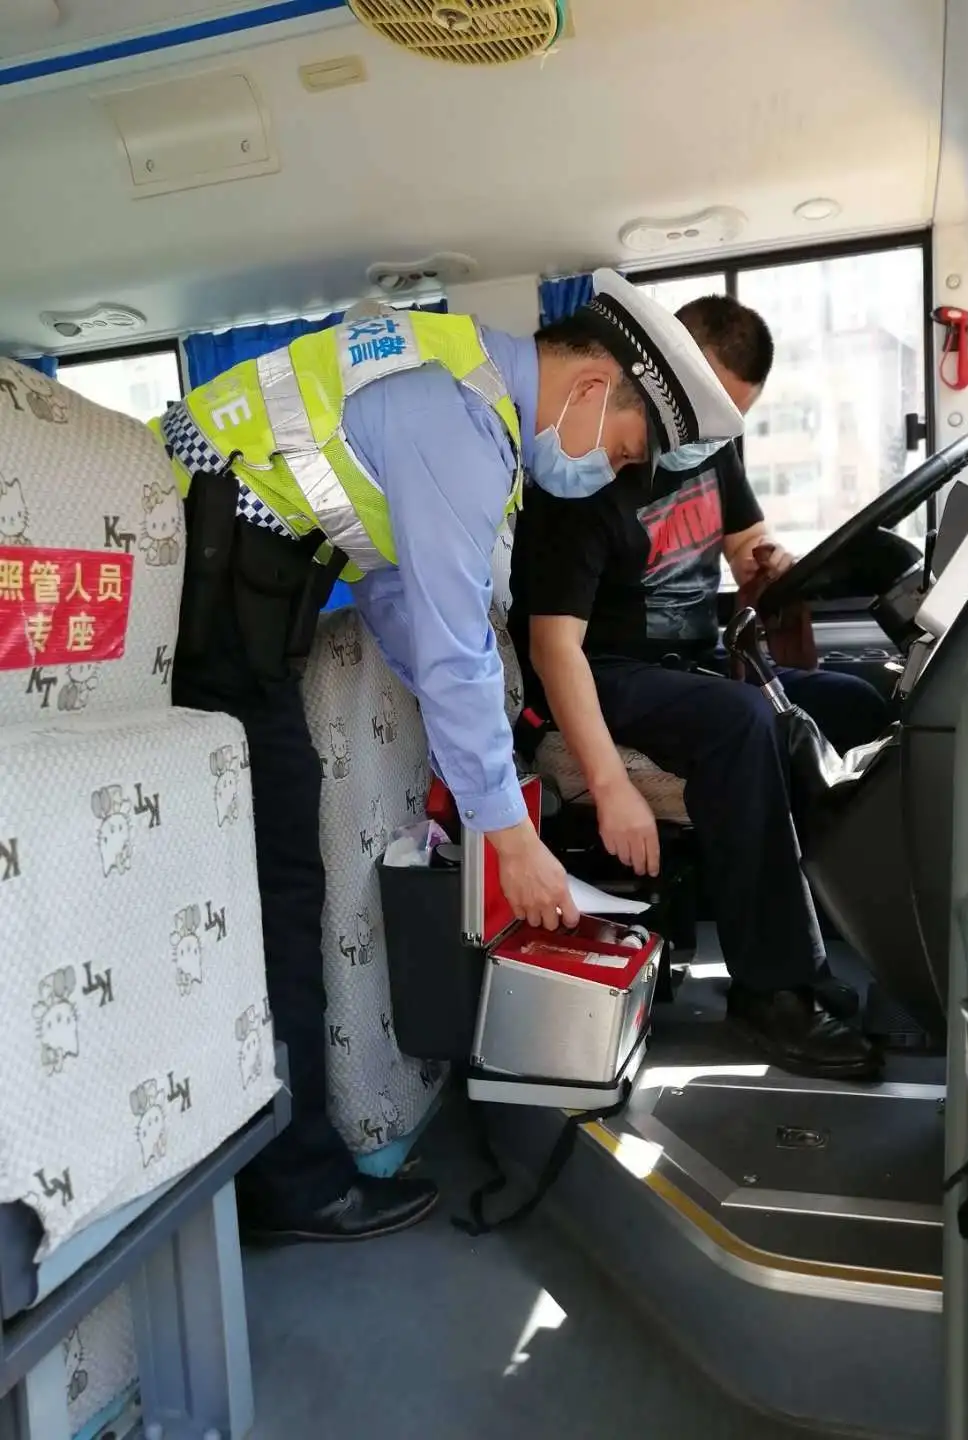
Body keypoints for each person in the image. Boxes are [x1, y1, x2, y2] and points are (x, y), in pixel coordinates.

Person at [152, 270, 745, 1244]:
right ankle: (292, 1186)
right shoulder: (457, 422)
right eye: (626, 450)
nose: (612, 473)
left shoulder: (461, 386)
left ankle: (278, 1169)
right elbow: (452, 645)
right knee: (284, 888)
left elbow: (397, 594)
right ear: (594, 389)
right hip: (193, 604)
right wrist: (511, 837)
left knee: (283, 873)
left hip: (225, 603)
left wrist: (493, 745)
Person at [508, 293, 887, 1081]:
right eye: (704, 410)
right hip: (605, 671)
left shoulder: (710, 449)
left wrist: (770, 562)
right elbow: (553, 648)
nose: (707, 432)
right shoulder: (587, 476)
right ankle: (770, 989)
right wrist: (610, 784)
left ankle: (848, 942)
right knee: (746, 721)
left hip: (694, 665)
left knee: (857, 703)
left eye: (727, 420)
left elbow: (749, 540)